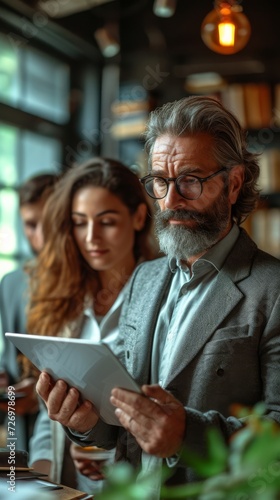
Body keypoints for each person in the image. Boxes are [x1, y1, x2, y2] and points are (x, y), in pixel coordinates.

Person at [35, 96, 280, 498]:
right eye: (160, 182)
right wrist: (84, 421)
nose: (170, 201)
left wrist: (187, 435)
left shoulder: (272, 289)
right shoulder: (143, 279)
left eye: (190, 180)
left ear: (234, 184)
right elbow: (121, 427)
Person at [26, 158, 156, 492]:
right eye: (79, 223)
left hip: (137, 484)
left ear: (139, 217)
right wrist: (37, 479)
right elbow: (48, 409)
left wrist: (105, 448)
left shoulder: (163, 298)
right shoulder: (63, 301)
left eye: (107, 221)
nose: (91, 237)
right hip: (69, 485)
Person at [0, 172, 58, 451]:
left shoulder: (93, 283)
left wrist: (39, 397)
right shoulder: (10, 284)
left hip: (72, 433)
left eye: (49, 223)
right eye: (31, 225)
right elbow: (9, 357)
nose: (42, 236)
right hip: (19, 431)